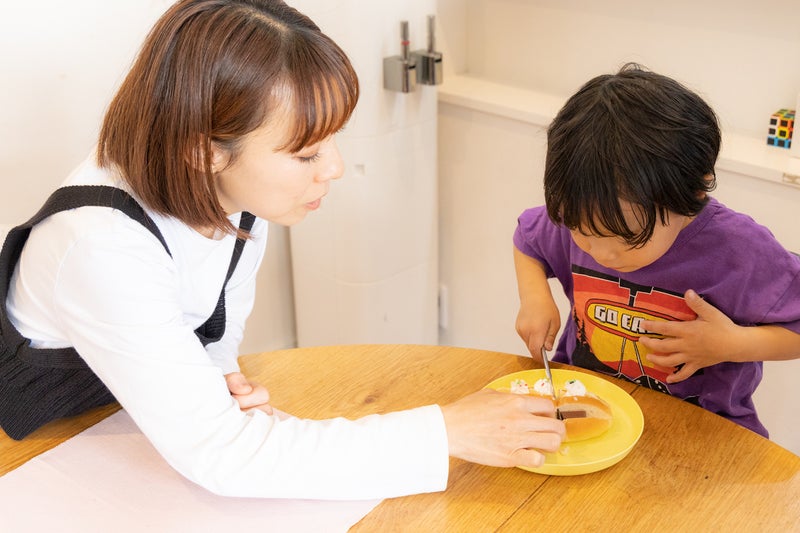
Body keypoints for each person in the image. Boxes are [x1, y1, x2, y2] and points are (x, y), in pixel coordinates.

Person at [0, 0, 565, 499]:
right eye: (305, 154)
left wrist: (212, 380)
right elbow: (222, 454)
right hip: (32, 455)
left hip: (125, 430)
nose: (336, 168)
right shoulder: (100, 245)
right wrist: (448, 431)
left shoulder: (235, 198)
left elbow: (216, 347)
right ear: (206, 151)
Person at [513, 63, 800, 437]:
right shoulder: (585, 212)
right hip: (588, 407)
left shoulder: (739, 249)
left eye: (627, 238)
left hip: (700, 434)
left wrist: (732, 344)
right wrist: (534, 297)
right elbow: (527, 239)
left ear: (694, 193)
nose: (602, 253)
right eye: (581, 233)